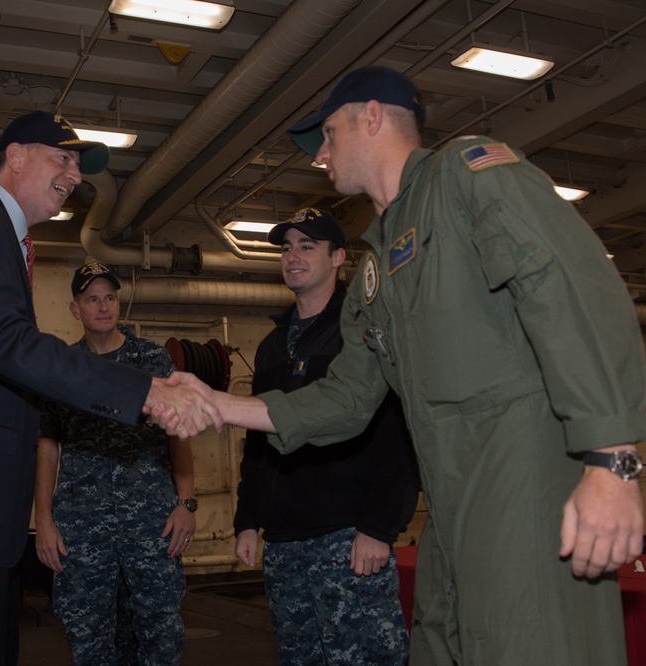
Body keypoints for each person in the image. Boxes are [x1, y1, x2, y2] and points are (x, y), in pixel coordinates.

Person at [152, 65, 646, 666]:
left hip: (524, 491)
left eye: (329, 135)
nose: (321, 155)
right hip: (449, 512)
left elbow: (571, 287)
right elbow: (346, 400)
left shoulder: (465, 177)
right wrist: (218, 404)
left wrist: (612, 462)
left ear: (374, 117)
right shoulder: (373, 270)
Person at [0, 110, 218, 665]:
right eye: (64, 159)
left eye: (78, 165)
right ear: (17, 156)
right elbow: (7, 341)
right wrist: (144, 391)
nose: (75, 176)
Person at [234, 208, 418, 666]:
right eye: (286, 247)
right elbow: (258, 442)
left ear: (338, 257)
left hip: (347, 540)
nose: (292, 256)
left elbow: (395, 435)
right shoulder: (274, 345)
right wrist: (246, 519)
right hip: (283, 545)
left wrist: (378, 528)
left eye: (307, 246)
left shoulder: (359, 333)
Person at [35, 262, 197, 665]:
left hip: (151, 524)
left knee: (160, 635)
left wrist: (187, 502)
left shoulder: (152, 361)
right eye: (92, 298)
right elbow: (47, 446)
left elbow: (180, 434)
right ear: (75, 309)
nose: (103, 306)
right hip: (82, 530)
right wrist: (45, 521)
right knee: (89, 639)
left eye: (109, 296)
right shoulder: (63, 368)